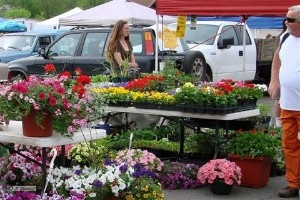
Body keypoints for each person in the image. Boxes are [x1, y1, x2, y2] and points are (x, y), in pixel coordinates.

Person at [268, 5, 300, 198]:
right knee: (289, 145)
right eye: (285, 19)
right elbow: (277, 60)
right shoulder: (285, 37)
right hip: (288, 103)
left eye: (290, 20)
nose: (286, 23)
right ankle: (293, 183)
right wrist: (274, 80)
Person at [273, 19, 288, 127]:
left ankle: (278, 124)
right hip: (282, 71)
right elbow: (277, 56)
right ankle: (278, 124)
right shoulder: (283, 37)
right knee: (279, 98)